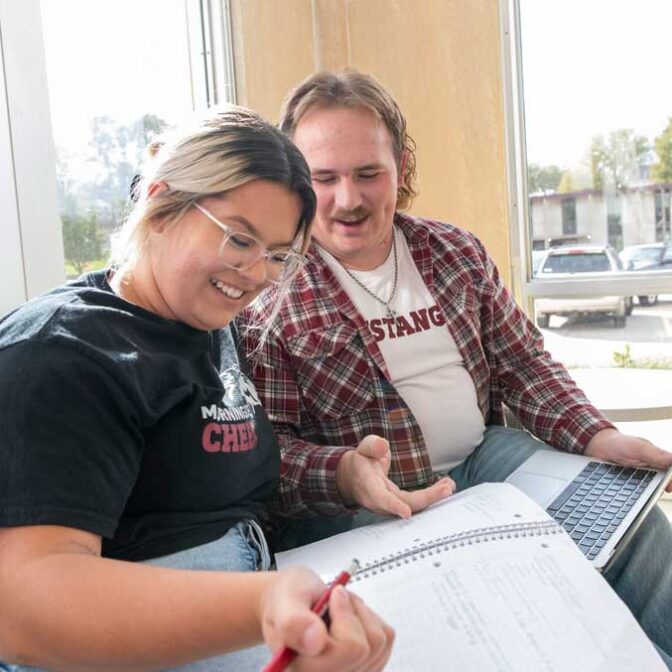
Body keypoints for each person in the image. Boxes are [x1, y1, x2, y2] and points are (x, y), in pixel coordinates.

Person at [240, 70, 672, 665]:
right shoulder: (268, 293)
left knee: (634, 529)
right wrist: (342, 472)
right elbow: (265, 452)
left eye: (369, 173)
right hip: (368, 505)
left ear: (401, 168)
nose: (349, 199)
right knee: (496, 611)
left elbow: (526, 365)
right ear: (296, 182)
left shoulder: (455, 251)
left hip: (485, 461)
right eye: (324, 178)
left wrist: (601, 437)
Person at [0, 107, 395, 671]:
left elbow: (204, 461)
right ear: (162, 204)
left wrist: (340, 473)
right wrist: (261, 605)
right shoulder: (63, 353)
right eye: (239, 239)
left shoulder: (207, 324)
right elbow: (22, 607)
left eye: (279, 256)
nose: (258, 274)